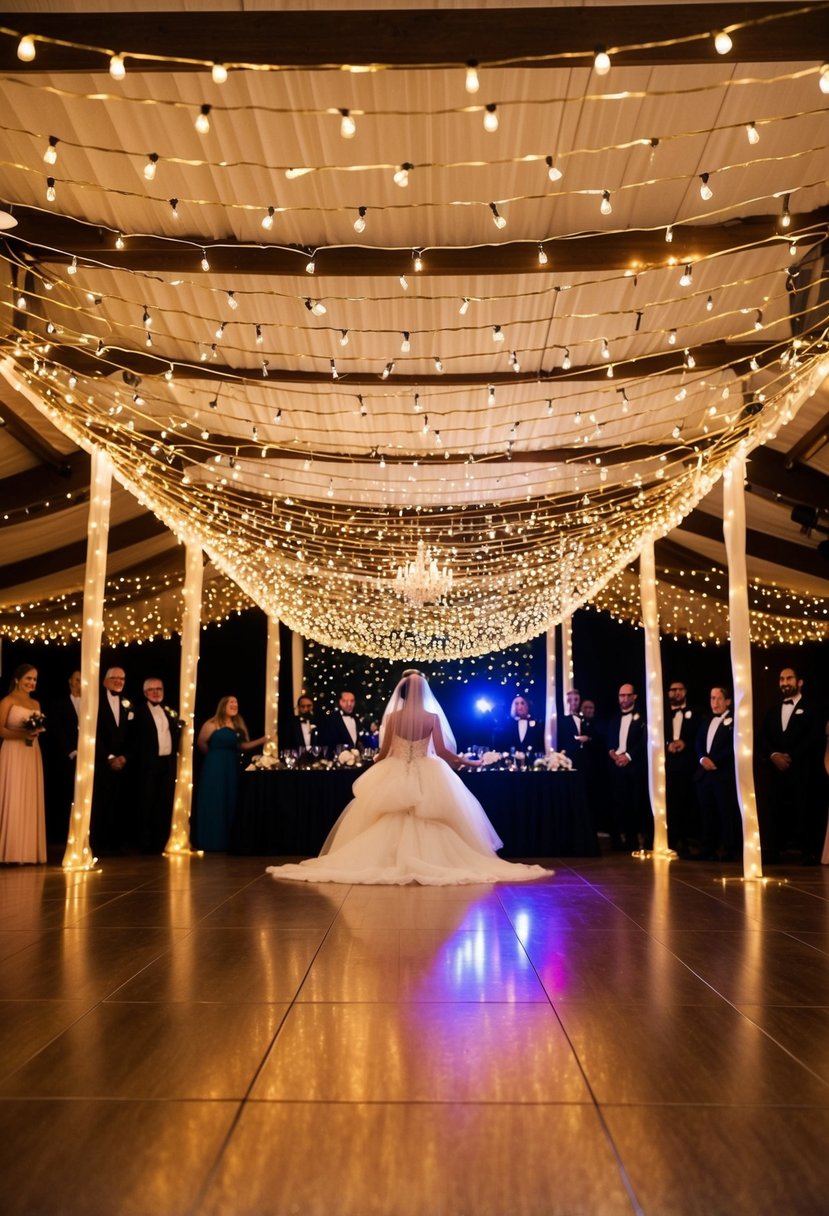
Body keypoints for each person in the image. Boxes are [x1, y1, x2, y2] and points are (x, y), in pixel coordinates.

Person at [267, 670, 551, 885]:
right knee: (433, 817)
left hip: (395, 771)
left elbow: (383, 753)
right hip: (429, 772)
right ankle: (433, 859)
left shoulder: (392, 718)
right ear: (424, 691)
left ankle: (388, 860)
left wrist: (369, 762)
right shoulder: (431, 717)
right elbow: (442, 752)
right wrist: (469, 761)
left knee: (388, 818)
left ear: (401, 693)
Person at [758, 666, 823, 864]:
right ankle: (775, 850)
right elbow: (763, 738)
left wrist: (790, 756)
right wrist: (774, 755)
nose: (785, 683)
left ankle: (807, 851)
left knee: (804, 809)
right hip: (775, 771)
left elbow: (814, 737)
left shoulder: (812, 708)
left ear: (799, 682)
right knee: (775, 809)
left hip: (803, 770)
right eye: (781, 679)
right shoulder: (772, 711)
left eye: (789, 678)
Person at [195, 696, 269, 851]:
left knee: (230, 800)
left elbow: (243, 746)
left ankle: (228, 842)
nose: (235, 704)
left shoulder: (238, 725)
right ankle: (210, 842)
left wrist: (263, 740)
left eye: (236, 702)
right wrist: (213, 756)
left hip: (232, 766)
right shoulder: (212, 723)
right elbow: (201, 742)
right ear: (223, 705)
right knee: (214, 800)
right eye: (231, 702)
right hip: (214, 766)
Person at [0, 663, 47, 864]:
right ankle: (9, 851)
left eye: (34, 679)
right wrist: (22, 734)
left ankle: (27, 852)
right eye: (28, 678)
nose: (31, 682)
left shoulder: (36, 704)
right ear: (18, 679)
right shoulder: (7, 701)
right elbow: (0, 730)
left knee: (29, 795)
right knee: (14, 794)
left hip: (31, 753)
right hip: (12, 752)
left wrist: (35, 733)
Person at [132, 678, 182, 853]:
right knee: (146, 803)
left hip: (166, 764)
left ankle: (160, 842)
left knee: (164, 803)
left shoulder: (168, 712)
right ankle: (144, 844)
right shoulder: (138, 712)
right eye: (152, 690)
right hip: (147, 765)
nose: (156, 692)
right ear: (145, 693)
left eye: (159, 689)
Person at [693, 686, 742, 861]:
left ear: (728, 701)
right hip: (704, 774)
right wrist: (702, 759)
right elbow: (698, 741)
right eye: (712, 698)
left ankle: (729, 848)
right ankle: (708, 847)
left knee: (725, 812)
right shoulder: (706, 720)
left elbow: (734, 745)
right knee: (707, 813)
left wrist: (715, 761)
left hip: (722, 774)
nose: (715, 702)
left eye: (719, 698)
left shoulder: (734, 721)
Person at [91, 665, 134, 854]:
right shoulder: (95, 702)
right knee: (101, 803)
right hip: (101, 761)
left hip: (123, 763)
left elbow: (133, 735)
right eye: (115, 678)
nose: (119, 681)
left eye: (122, 678)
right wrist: (108, 757)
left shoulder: (128, 704)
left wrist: (124, 757)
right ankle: (99, 845)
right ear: (105, 681)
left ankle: (117, 844)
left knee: (121, 803)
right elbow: (93, 732)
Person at [607, 682, 651, 850]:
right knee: (618, 803)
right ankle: (619, 840)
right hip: (616, 766)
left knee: (635, 803)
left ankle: (635, 839)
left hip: (634, 766)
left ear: (634, 696)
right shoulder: (614, 718)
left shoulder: (642, 718)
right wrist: (613, 754)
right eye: (621, 695)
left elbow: (643, 741)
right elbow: (610, 741)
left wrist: (628, 756)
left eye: (627, 695)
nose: (624, 698)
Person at [664, 680, 702, 854]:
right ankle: (671, 839)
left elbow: (700, 734)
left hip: (689, 764)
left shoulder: (696, 712)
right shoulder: (663, 713)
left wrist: (685, 743)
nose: (676, 693)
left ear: (685, 692)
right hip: (668, 764)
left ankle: (689, 839)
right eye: (673, 690)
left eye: (679, 689)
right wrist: (667, 744)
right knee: (670, 801)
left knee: (688, 800)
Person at [46, 669, 81, 844]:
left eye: (83, 680)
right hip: (66, 759)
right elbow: (56, 730)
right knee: (65, 798)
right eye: (77, 680)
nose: (79, 683)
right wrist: (71, 751)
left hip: (89, 759)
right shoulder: (58, 704)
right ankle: (62, 837)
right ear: (70, 681)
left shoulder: (94, 703)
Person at [557, 689, 590, 761]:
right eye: (570, 700)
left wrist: (588, 738)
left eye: (576, 700)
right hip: (569, 758)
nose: (574, 703)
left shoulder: (584, 718)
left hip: (585, 758)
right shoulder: (562, 720)